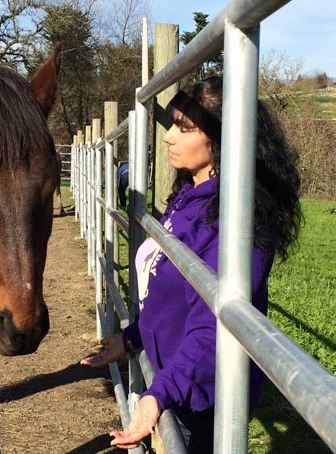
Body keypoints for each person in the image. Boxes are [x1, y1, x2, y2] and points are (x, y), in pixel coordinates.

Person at [81, 76, 302, 453]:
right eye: (172, 125)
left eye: (185, 128)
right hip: (174, 382)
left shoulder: (232, 221)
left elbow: (216, 329)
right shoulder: (190, 195)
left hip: (198, 398)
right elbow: (171, 293)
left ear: (222, 138)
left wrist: (159, 395)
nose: (168, 137)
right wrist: (133, 338)